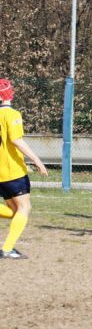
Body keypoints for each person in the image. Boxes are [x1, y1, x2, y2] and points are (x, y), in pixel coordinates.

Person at [0, 78, 48, 259]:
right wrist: (36, 160)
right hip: (13, 170)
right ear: (9, 93)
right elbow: (16, 140)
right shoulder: (12, 115)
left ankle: (7, 248)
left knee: (14, 211)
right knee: (24, 208)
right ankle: (7, 249)